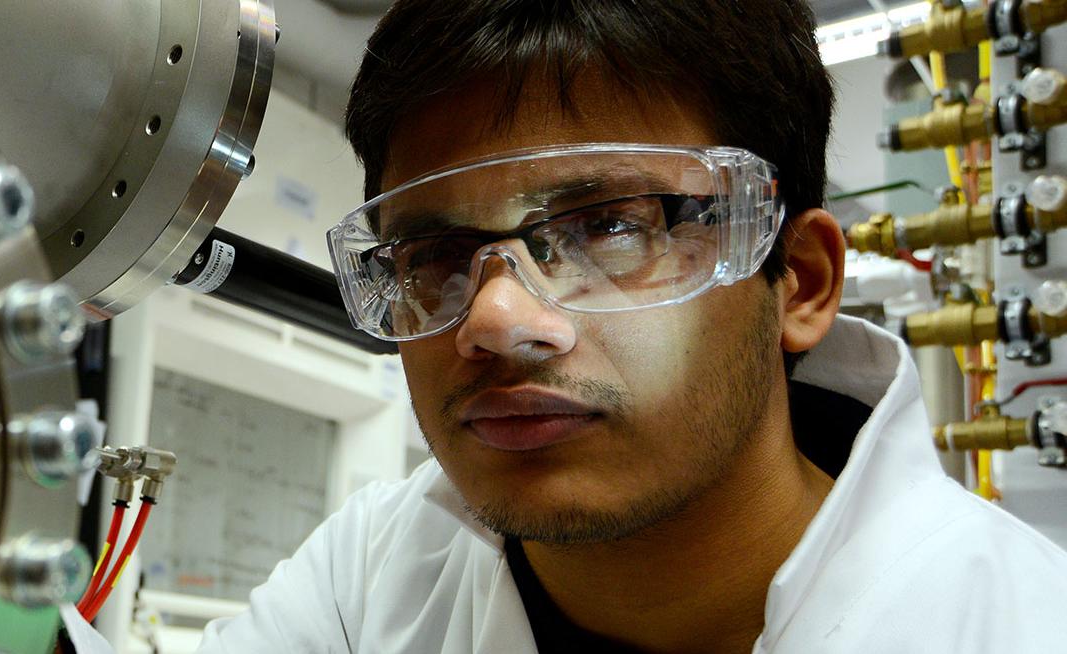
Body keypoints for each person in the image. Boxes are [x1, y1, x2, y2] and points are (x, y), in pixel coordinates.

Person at [197, 1, 1067, 652]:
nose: (495, 319)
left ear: (798, 282)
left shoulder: (1016, 623)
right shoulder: (376, 573)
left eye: (609, 226)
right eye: (435, 251)